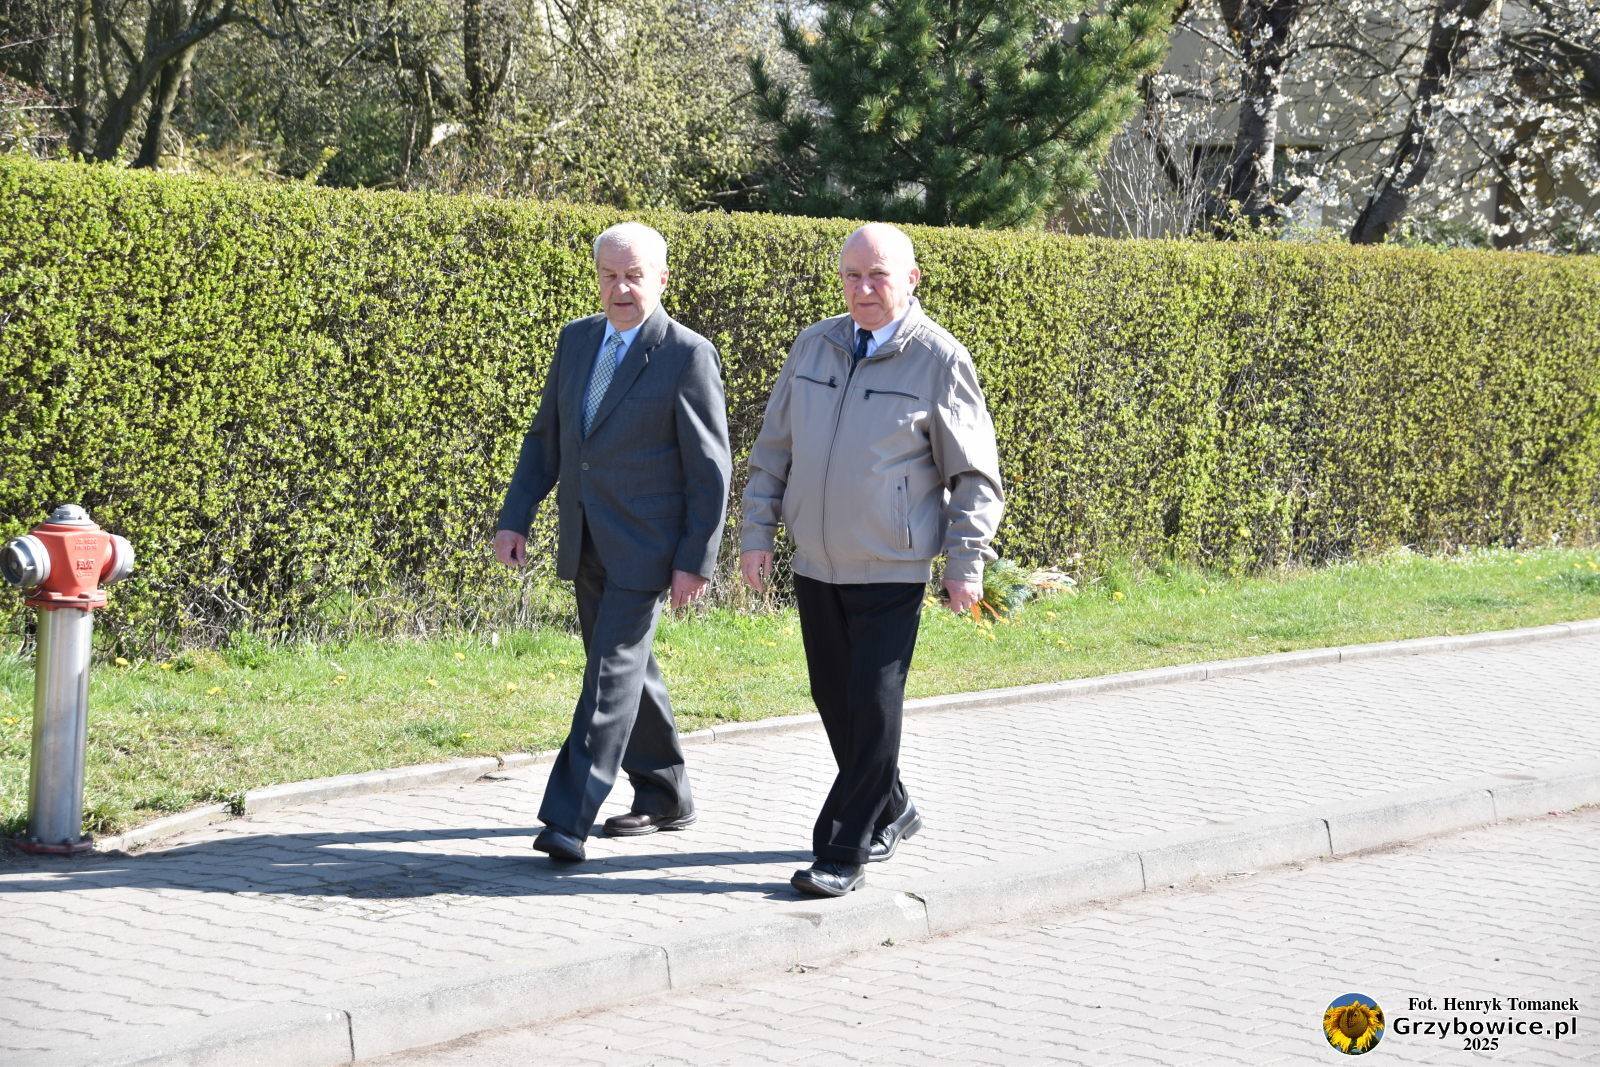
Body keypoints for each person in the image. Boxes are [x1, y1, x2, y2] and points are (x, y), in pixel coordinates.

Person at [739, 223, 1004, 897]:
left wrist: (964, 562)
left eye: (877, 275)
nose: (863, 289)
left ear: (910, 280)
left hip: (892, 565)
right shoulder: (814, 345)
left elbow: (974, 476)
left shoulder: (939, 359)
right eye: (852, 275)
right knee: (836, 700)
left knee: (874, 705)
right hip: (816, 562)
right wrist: (756, 532)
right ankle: (893, 805)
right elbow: (774, 450)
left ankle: (843, 848)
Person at [495, 222, 731, 863]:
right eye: (609, 275)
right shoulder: (576, 340)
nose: (621, 288)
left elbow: (710, 470)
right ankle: (665, 792)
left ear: (661, 279)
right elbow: (547, 437)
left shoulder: (687, 354)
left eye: (634, 276)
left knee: (608, 677)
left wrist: (695, 559)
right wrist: (516, 517)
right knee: (628, 671)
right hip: (586, 538)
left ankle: (567, 818)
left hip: (648, 549)